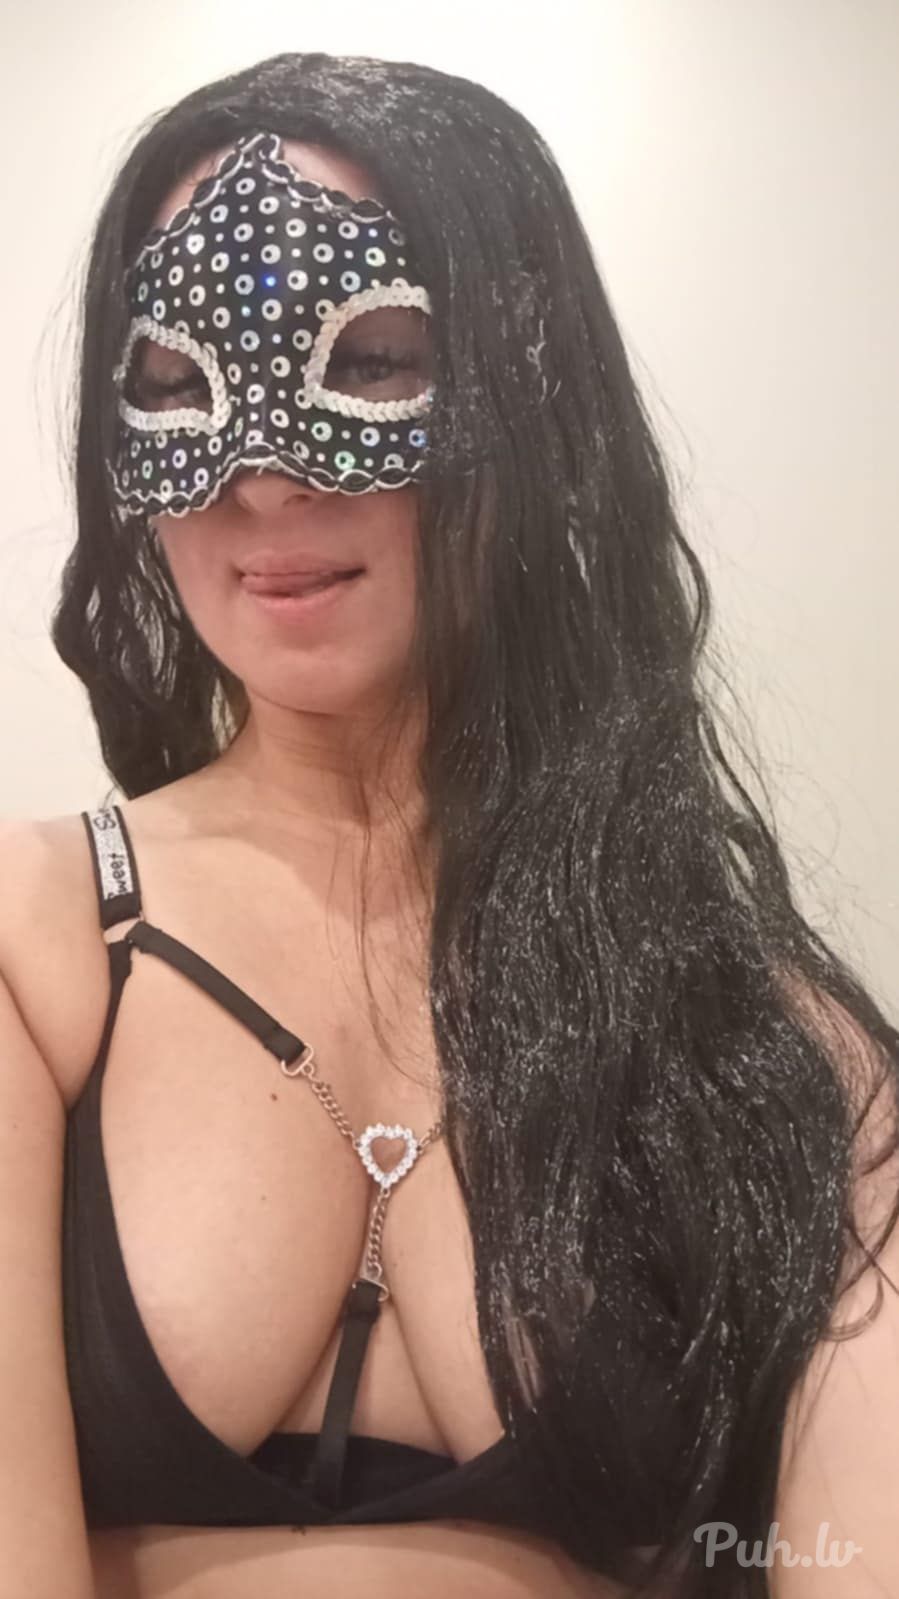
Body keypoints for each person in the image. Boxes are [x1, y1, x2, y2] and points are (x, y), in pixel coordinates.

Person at [2, 49, 897, 1599]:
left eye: (373, 361)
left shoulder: (778, 1056)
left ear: (536, 404)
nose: (264, 481)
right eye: (177, 387)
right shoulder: (41, 952)